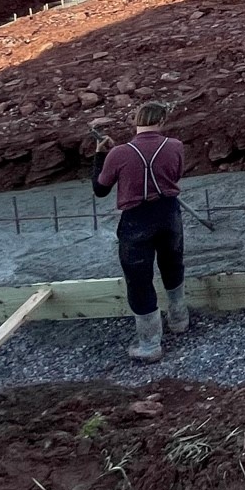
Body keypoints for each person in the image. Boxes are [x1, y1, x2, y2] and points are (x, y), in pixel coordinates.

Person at [91, 101, 189, 363]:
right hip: (169, 214)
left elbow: (100, 189)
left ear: (136, 121)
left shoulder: (119, 153)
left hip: (137, 221)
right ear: (162, 121)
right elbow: (175, 175)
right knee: (172, 265)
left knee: (139, 280)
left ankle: (149, 344)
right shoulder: (175, 146)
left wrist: (101, 155)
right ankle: (179, 320)